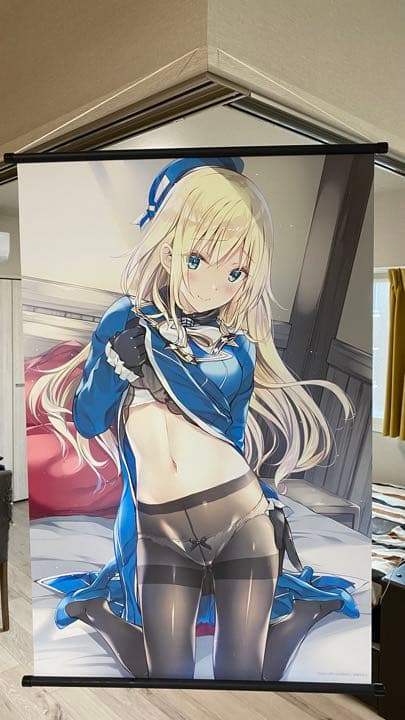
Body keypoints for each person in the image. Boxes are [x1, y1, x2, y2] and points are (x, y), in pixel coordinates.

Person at [32, 157, 359, 681]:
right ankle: (99, 613)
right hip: (159, 528)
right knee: (168, 676)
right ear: (168, 249)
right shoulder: (126, 318)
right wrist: (116, 366)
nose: (211, 286)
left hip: (242, 517)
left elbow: (230, 439)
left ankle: (300, 615)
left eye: (235, 272)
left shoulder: (239, 349)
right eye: (196, 260)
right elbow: (88, 420)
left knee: (241, 676)